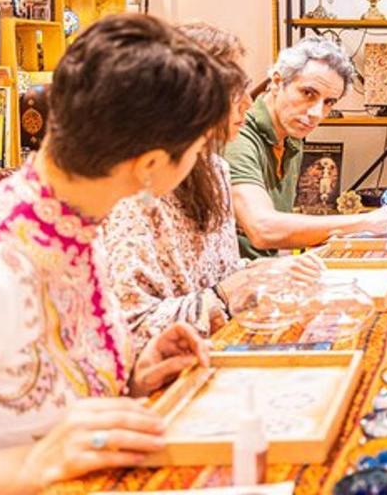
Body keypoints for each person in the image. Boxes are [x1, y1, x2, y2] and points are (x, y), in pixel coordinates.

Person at [0, 14, 227, 493]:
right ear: (151, 166)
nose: (203, 159)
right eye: (199, 147)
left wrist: (135, 377)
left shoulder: (76, 222)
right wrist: (32, 464)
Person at [102, 23, 323, 353]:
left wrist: (267, 271)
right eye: (235, 90)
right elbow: (131, 329)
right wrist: (226, 292)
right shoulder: (137, 189)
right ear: (191, 96)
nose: (248, 103)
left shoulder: (214, 167)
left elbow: (221, 274)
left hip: (216, 351)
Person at [225, 36, 387, 258]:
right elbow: (262, 228)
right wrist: (366, 221)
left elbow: (278, 236)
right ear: (277, 82)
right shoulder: (238, 136)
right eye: (308, 93)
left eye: (329, 102)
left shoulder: (291, 136)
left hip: (270, 273)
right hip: (235, 283)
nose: (316, 113)